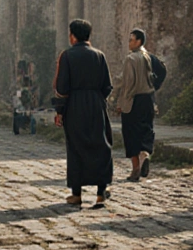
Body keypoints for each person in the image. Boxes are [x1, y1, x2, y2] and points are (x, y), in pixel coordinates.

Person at [52, 19, 113, 209]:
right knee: (101, 145)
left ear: (72, 36)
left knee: (76, 147)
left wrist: (60, 110)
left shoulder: (67, 56)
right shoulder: (99, 56)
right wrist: (96, 99)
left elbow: (62, 88)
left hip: (74, 106)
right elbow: (107, 86)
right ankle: (101, 193)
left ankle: (76, 194)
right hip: (96, 104)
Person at [113, 28, 156, 182]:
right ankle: (145, 155)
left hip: (133, 100)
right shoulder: (148, 57)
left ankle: (136, 169)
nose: (129, 43)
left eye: (131, 39)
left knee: (131, 134)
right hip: (148, 99)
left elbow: (127, 83)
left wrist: (120, 101)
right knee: (145, 130)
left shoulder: (130, 59)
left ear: (138, 41)